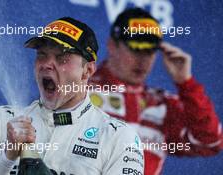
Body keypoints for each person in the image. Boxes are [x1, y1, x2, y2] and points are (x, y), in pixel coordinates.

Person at [0, 17, 144, 175]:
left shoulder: (119, 138)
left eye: (62, 57)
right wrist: (6, 157)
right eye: (42, 55)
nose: (47, 64)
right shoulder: (4, 119)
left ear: (87, 71)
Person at [89, 8, 223, 175]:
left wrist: (186, 84)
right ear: (112, 45)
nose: (142, 60)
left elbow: (210, 142)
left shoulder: (163, 105)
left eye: (150, 51)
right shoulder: (80, 91)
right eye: (136, 49)